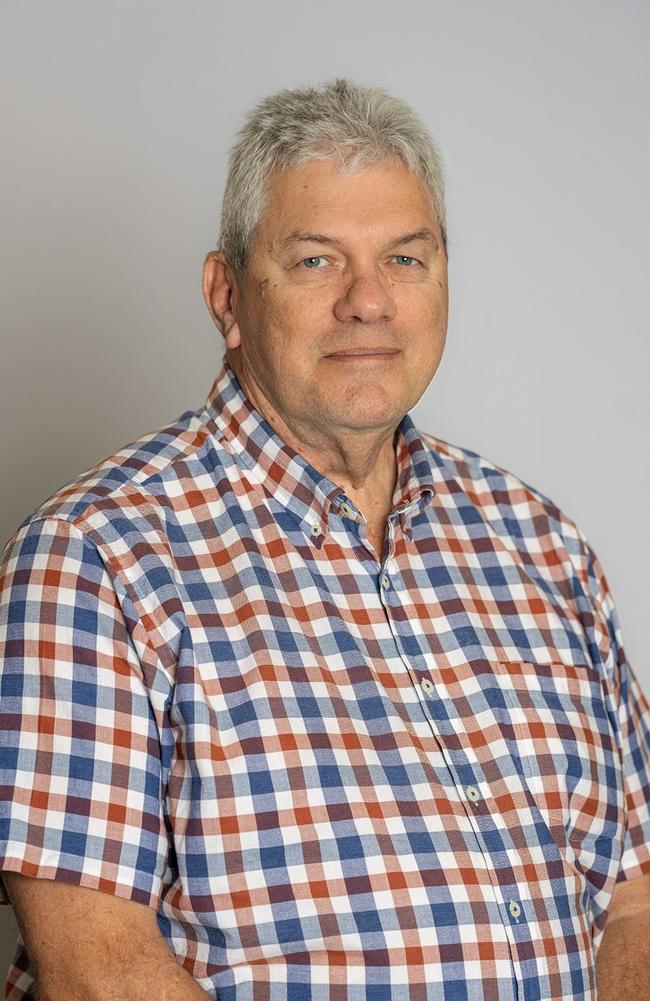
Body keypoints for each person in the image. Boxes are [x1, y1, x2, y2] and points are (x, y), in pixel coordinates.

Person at [1, 78, 649, 1001]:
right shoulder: (95, 560)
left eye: (406, 260)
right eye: (314, 261)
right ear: (226, 295)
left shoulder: (543, 545)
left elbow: (635, 897)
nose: (368, 302)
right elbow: (99, 971)